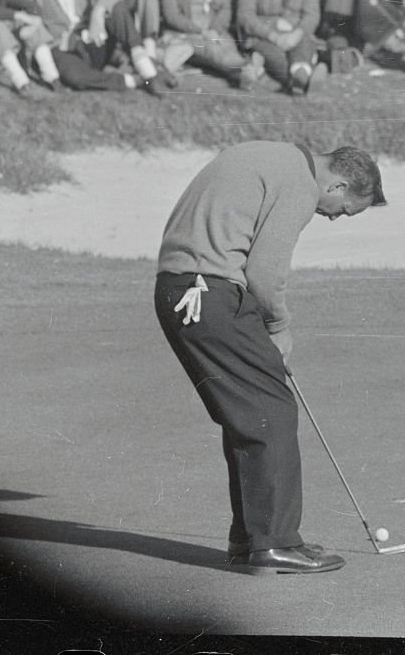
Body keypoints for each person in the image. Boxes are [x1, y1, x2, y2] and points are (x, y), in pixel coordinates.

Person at [155, 141, 385, 575]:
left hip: (178, 289)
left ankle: (251, 541)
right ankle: (274, 544)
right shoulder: (299, 181)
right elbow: (265, 272)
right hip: (208, 292)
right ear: (336, 182)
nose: (332, 216)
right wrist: (278, 327)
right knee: (271, 411)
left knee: (249, 414)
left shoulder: (269, 155)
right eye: (342, 209)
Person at [18, 0, 164, 94]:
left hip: (93, 39)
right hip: (63, 48)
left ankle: (147, 69)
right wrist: (53, 40)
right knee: (74, 76)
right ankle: (137, 81)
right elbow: (26, 21)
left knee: (116, 7)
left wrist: (98, 12)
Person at [158, 0, 258, 89]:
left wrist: (215, 28)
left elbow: (222, 7)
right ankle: (245, 68)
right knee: (212, 50)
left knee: (227, 42)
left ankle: (242, 73)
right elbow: (171, 16)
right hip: (185, 33)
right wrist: (201, 31)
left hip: (210, 30)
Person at [236, 0, 326, 95]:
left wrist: (296, 34)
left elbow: (312, 15)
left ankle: (299, 73)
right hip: (263, 35)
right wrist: (274, 36)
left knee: (304, 42)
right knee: (276, 56)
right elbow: (245, 16)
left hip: (296, 32)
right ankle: (303, 78)